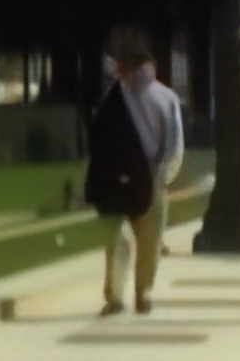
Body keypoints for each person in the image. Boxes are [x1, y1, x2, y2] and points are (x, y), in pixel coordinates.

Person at [86, 36, 183, 317]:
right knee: (149, 242)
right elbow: (174, 145)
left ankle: (116, 296)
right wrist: (163, 178)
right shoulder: (166, 98)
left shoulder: (112, 99)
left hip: (115, 178)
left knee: (117, 240)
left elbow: (97, 141)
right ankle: (143, 292)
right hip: (151, 177)